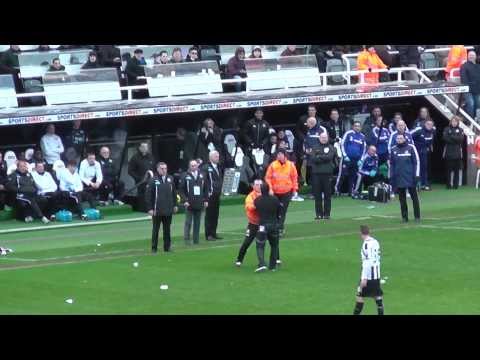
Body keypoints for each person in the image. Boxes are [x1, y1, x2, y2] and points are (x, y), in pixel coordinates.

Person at [264, 149, 299, 241]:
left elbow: (294, 178)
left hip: (286, 191)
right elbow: (268, 178)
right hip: (275, 192)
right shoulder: (273, 165)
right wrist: (270, 189)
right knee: (275, 211)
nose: (279, 156)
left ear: (284, 155)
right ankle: (274, 228)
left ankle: (280, 228)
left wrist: (295, 189)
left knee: (282, 211)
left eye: (281, 154)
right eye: (278, 154)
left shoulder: (290, 165)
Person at [145, 162, 178, 253]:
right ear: (158, 169)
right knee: (156, 230)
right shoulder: (153, 180)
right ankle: (154, 248)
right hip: (157, 210)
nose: (164, 170)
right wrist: (150, 209)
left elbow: (174, 193)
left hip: (168, 209)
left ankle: (167, 247)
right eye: (162, 169)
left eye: (165, 168)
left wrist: (175, 204)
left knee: (167, 229)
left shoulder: (170, 179)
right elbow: (148, 196)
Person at [353, 225, 384, 315]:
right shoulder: (376, 241)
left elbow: (368, 261)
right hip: (376, 275)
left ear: (360, 233)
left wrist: (364, 278)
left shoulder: (366, 245)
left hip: (369, 276)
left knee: (359, 296)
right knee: (378, 297)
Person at [390, 134, 421, 222]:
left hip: (410, 177)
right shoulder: (393, 149)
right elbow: (392, 164)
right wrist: (391, 175)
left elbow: (416, 162)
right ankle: (404, 217)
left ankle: (417, 217)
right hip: (399, 177)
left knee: (414, 197)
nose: (399, 140)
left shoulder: (411, 147)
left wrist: (417, 175)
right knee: (402, 199)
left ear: (404, 139)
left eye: (401, 138)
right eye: (398, 138)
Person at [179, 160, 208, 245]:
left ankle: (196, 240)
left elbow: (206, 188)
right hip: (189, 202)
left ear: (197, 166)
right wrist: (185, 200)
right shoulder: (185, 175)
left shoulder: (202, 175)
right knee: (188, 222)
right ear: (189, 166)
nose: (194, 167)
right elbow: (181, 190)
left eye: (195, 165)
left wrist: (206, 200)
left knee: (197, 222)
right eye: (192, 165)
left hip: (199, 202)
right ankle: (187, 239)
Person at [253, 182, 281, 273]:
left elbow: (256, 211)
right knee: (274, 245)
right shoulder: (275, 199)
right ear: (269, 189)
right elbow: (279, 212)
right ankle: (272, 266)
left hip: (262, 225)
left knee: (260, 245)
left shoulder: (257, 200)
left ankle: (262, 263)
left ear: (261, 190)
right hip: (274, 224)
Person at [235, 179, 263, 266]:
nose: (259, 186)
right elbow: (249, 206)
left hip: (263, 223)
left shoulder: (266, 194)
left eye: (260, 185)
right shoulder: (250, 196)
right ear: (253, 186)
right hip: (253, 223)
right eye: (257, 185)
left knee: (272, 241)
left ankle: (276, 259)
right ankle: (239, 259)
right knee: (247, 242)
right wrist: (258, 206)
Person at [310, 133, 336, 220]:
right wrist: (323, 157)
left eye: (325, 137)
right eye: (322, 137)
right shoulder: (315, 147)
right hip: (316, 174)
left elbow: (330, 157)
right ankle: (318, 214)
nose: (324, 139)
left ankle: (327, 214)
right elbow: (313, 158)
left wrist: (319, 156)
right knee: (317, 195)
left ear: (328, 138)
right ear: (319, 138)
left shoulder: (331, 147)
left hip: (328, 174)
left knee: (327, 195)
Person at [295, 105, 323, 182]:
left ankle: (314, 180)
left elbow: (323, 133)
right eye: (309, 110)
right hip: (304, 145)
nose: (311, 111)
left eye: (312, 110)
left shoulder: (320, 120)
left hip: (316, 145)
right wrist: (304, 138)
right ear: (308, 111)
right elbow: (297, 131)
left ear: (315, 111)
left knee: (316, 162)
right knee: (304, 163)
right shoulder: (302, 119)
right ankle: (304, 180)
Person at [337, 121, 366, 196]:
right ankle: (337, 190)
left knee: (352, 176)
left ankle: (350, 191)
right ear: (353, 126)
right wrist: (345, 155)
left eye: (358, 126)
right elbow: (342, 144)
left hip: (356, 160)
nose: (357, 127)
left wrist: (361, 159)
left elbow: (363, 149)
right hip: (347, 159)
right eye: (355, 126)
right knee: (342, 175)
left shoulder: (362, 136)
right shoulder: (348, 133)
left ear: (360, 127)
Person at [203, 150, 223, 241]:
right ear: (210, 157)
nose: (218, 158)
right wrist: (205, 196)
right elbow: (204, 182)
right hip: (209, 195)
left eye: (218, 156)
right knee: (209, 215)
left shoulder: (218, 167)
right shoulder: (206, 167)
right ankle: (208, 234)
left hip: (217, 194)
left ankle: (214, 233)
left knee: (215, 215)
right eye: (216, 156)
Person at [128, 142, 154, 212]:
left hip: (151, 180)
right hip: (140, 181)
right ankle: (142, 210)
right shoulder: (135, 158)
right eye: (143, 147)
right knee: (142, 196)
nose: (145, 148)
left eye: (146, 147)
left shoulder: (150, 156)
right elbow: (130, 171)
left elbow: (154, 168)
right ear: (140, 148)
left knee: (150, 194)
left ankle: (150, 209)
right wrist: (139, 178)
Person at [411, 119, 436, 190]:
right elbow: (409, 135)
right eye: (428, 124)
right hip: (416, 152)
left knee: (424, 168)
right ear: (425, 124)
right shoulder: (419, 130)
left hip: (424, 152)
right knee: (415, 168)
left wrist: (429, 147)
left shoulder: (432, 132)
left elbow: (430, 141)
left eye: (431, 125)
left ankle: (424, 184)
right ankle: (415, 184)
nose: (429, 126)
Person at [303, 117, 327, 187]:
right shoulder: (309, 130)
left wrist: (316, 151)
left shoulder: (322, 129)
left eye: (307, 124)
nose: (306, 125)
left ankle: (321, 190)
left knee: (319, 174)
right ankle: (313, 191)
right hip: (310, 157)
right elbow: (305, 142)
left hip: (319, 157)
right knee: (312, 174)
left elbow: (325, 142)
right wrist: (306, 150)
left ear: (312, 123)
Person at [442, 116, 465, 190]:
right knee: (448, 170)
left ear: (458, 122)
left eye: (455, 121)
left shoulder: (461, 130)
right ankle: (448, 185)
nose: (454, 123)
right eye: (453, 121)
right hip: (448, 152)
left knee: (456, 170)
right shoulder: (446, 129)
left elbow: (461, 139)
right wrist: (455, 138)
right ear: (450, 122)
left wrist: (451, 135)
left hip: (458, 153)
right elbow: (445, 138)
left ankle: (456, 185)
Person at [460, 50, 480, 118]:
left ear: (475, 57)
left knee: (478, 105)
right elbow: (464, 79)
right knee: (471, 104)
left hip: (477, 89)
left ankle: (476, 119)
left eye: (473, 55)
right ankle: (470, 120)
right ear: (468, 56)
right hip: (468, 89)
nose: (471, 56)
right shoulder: (464, 66)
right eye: (470, 55)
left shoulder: (478, 66)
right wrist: (468, 87)